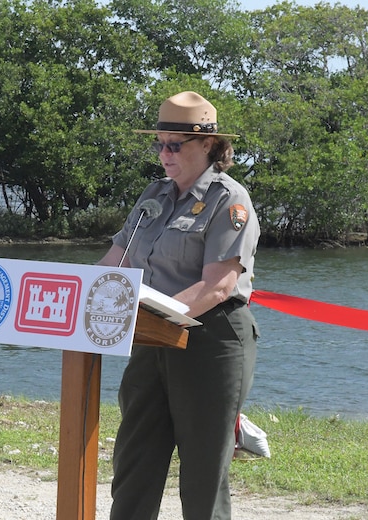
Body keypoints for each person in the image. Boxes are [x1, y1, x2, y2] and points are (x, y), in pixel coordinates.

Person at [98, 91, 260, 520]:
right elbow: (116, 261)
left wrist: (147, 317)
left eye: (175, 144)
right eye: (160, 144)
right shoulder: (154, 196)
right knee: (134, 462)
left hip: (212, 341)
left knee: (203, 476)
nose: (164, 154)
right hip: (151, 339)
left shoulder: (230, 200)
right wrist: (79, 296)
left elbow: (217, 287)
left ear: (207, 145)